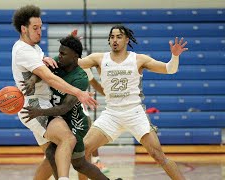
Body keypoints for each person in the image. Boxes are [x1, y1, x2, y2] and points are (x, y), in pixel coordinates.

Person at [78, 24, 188, 180]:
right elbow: (75, 63)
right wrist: (72, 46)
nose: (115, 40)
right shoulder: (99, 58)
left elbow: (169, 69)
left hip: (134, 113)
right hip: (112, 114)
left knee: (158, 156)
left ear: (126, 39)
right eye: (112, 37)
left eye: (119, 36)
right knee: (83, 150)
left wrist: (175, 56)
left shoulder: (138, 59)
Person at [11, 5, 97, 180]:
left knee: (52, 158)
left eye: (41, 27)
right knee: (68, 139)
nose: (39, 31)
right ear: (23, 29)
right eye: (35, 28)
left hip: (42, 103)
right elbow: (49, 77)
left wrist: (71, 45)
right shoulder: (23, 50)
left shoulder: (33, 48)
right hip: (35, 105)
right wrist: (79, 93)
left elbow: (48, 65)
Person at [21, 35, 114, 180]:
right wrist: (32, 80)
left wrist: (39, 112)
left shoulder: (80, 78)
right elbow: (41, 71)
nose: (59, 56)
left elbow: (64, 108)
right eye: (59, 52)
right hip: (59, 119)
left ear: (75, 56)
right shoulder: (58, 62)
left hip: (75, 121)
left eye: (63, 54)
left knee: (79, 164)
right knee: (51, 154)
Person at [82, 68, 109, 174]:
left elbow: (94, 84)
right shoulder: (58, 64)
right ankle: (49, 158)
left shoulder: (83, 65)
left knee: (90, 130)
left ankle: (96, 161)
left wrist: (110, 94)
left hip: (79, 104)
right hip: (61, 102)